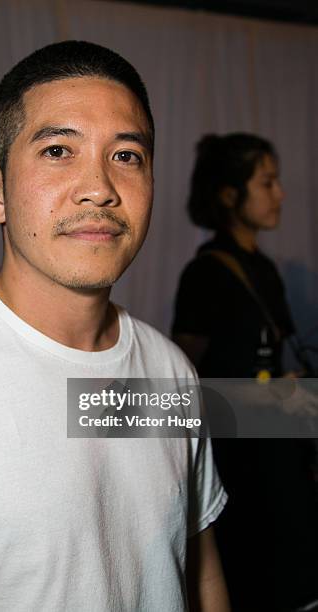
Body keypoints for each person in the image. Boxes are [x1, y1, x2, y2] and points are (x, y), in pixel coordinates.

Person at [0, 42, 230, 611]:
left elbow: (198, 570)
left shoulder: (169, 371)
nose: (99, 187)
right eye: (59, 150)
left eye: (127, 156)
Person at [172, 133, 318, 612]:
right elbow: (182, 394)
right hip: (239, 475)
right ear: (229, 194)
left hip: (281, 464)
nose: (280, 194)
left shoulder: (265, 269)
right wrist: (268, 397)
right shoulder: (207, 274)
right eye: (267, 182)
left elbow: (271, 365)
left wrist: (287, 388)